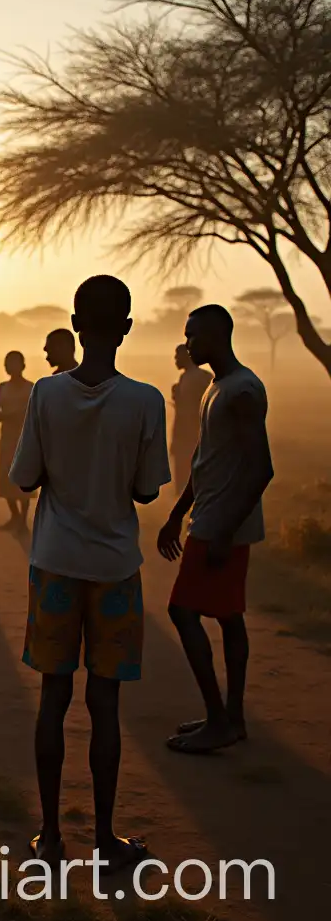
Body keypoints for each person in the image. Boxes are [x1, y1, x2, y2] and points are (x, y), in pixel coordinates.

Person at [10, 275, 170, 873]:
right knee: (106, 705)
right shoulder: (145, 400)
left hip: (55, 562)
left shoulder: (46, 395)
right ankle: (105, 841)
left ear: (75, 326)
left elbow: (25, 478)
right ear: (126, 327)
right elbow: (147, 488)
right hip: (114, 569)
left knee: (54, 698)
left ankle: (50, 838)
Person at [158, 306, 273, 754]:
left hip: (220, 525)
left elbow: (261, 469)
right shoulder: (217, 388)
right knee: (228, 617)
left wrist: (225, 530)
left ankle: (221, 719)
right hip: (209, 517)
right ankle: (230, 718)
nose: (188, 344)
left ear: (218, 335)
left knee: (183, 612)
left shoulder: (242, 390)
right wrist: (175, 514)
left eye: (194, 336)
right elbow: (203, 463)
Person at [0, 350, 35, 531]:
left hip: (25, 439)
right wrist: (8, 415)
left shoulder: (30, 388)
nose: (10, 368)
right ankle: (14, 516)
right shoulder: (2, 388)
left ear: (23, 366)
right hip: (7, 439)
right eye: (8, 364)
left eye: (14, 364)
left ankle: (22, 520)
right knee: (7, 478)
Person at [169, 343, 213, 493]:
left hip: (192, 434)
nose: (175, 359)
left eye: (178, 355)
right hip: (189, 433)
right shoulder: (191, 377)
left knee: (188, 480)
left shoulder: (201, 378)